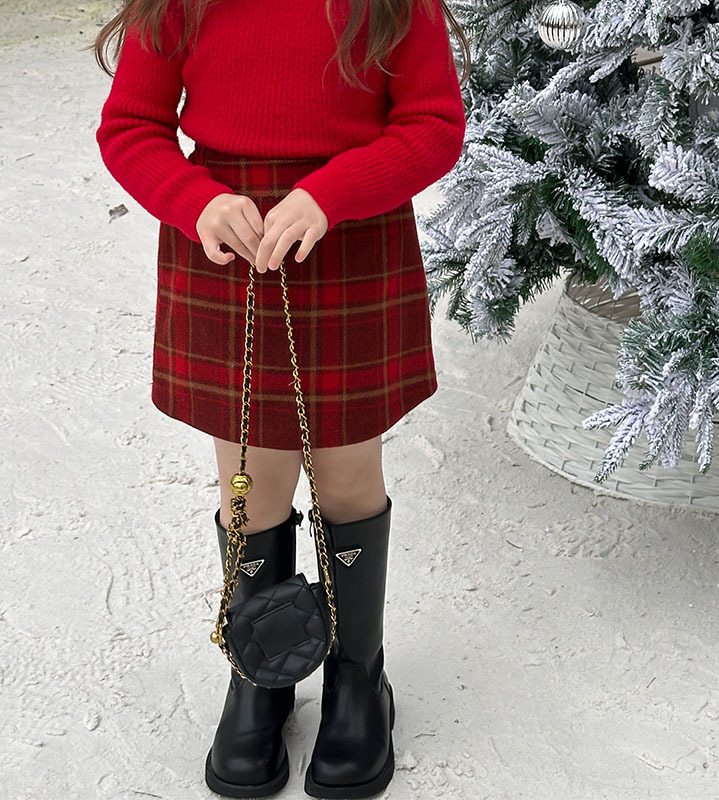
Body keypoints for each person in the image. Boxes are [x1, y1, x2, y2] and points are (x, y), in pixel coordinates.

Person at [92, 0, 469, 797]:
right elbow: (129, 127)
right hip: (227, 253)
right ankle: (258, 674)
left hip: (350, 238)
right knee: (251, 486)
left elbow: (433, 126)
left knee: (346, 480)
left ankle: (358, 679)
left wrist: (333, 191)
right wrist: (194, 197)